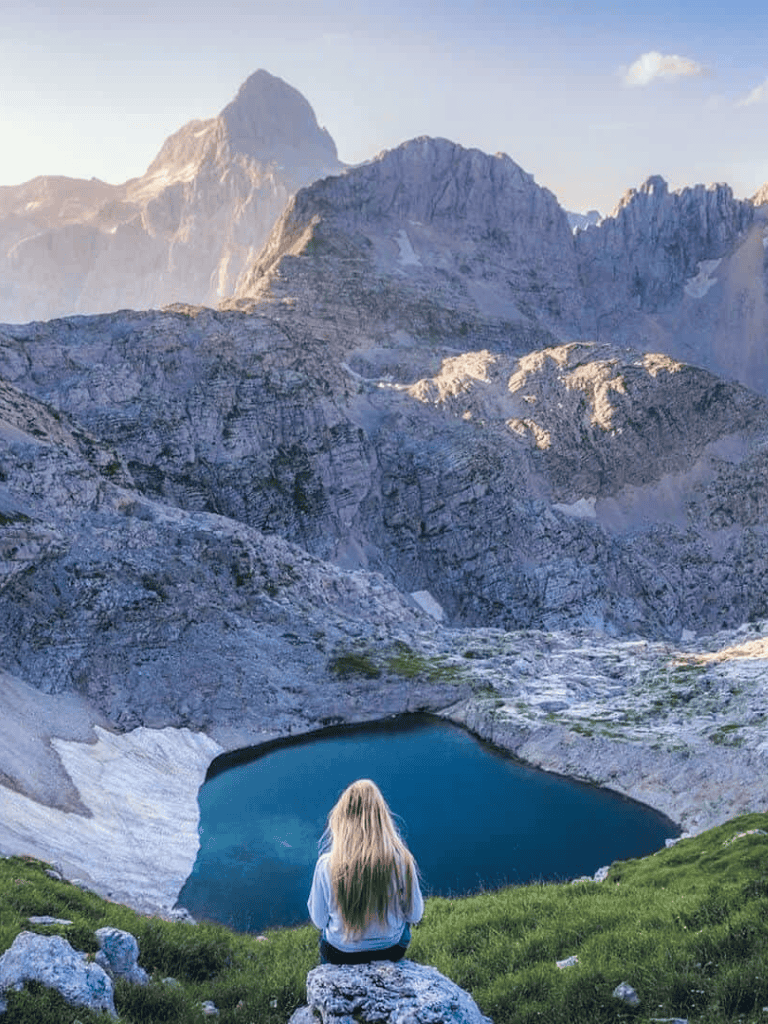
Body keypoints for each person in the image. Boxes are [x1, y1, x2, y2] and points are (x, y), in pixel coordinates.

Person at [307, 778, 424, 965]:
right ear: (382, 818)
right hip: (391, 949)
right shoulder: (401, 860)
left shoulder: (326, 864)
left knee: (326, 935)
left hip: (340, 951)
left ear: (342, 819)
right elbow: (415, 915)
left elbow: (319, 921)